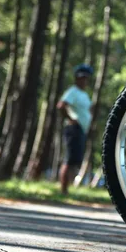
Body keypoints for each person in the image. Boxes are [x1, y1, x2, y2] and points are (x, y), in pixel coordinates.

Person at [56, 64, 93, 194]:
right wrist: (71, 119)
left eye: (86, 78)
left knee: (74, 161)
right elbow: (61, 105)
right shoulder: (73, 91)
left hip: (81, 130)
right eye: (82, 77)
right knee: (69, 159)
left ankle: (67, 188)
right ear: (77, 78)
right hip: (73, 129)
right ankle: (63, 189)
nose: (84, 80)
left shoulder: (84, 94)